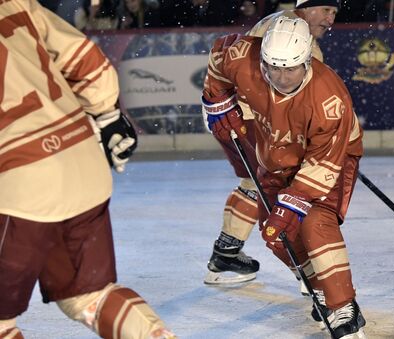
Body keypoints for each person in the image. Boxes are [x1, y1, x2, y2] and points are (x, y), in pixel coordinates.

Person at [0, 1, 175, 338]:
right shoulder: (16, 3)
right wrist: (107, 114)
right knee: (89, 298)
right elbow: (83, 58)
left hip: (20, 179)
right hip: (80, 155)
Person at [202, 17, 365, 338]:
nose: (281, 77)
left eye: (291, 69)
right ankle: (318, 287)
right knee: (276, 234)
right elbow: (218, 60)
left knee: (314, 222)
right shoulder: (242, 59)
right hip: (276, 151)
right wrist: (217, 101)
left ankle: (345, 307)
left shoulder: (329, 99)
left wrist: (293, 203)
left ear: (307, 61)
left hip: (331, 156)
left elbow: (322, 165)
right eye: (273, 68)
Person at [202, 0, 340, 285]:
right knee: (275, 189)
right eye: (327, 10)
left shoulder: (284, 24)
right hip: (250, 120)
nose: (330, 20)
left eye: (334, 13)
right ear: (308, 5)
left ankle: (225, 254)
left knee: (253, 184)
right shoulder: (288, 33)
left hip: (241, 119)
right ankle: (305, 275)